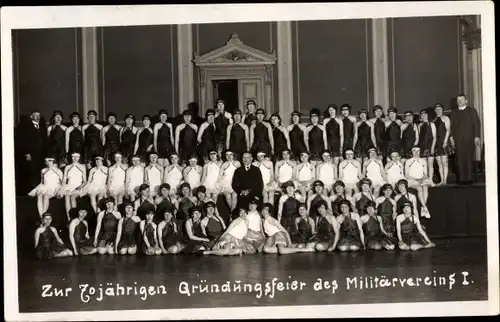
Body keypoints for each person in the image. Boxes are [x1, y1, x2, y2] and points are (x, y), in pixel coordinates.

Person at [449, 94, 482, 184]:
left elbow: (477, 124)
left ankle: (469, 179)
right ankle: (462, 179)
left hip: (469, 139)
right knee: (459, 159)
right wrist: (451, 137)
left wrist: (477, 137)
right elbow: (451, 127)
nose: (460, 102)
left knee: (468, 158)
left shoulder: (472, 111)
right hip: (458, 139)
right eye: (458, 100)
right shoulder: (454, 112)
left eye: (462, 100)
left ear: (466, 101)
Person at [16, 109, 48, 194]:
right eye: (35, 115)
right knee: (30, 173)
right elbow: (21, 141)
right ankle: (28, 192)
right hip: (30, 155)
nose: (38, 117)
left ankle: (37, 192)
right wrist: (26, 153)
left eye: (39, 115)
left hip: (40, 155)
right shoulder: (25, 127)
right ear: (31, 116)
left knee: (39, 172)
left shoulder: (42, 126)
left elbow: (45, 140)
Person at [404, 146, 434, 218]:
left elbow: (425, 174)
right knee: (419, 188)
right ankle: (425, 208)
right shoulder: (408, 161)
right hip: (411, 180)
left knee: (425, 187)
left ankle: (423, 208)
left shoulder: (423, 161)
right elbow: (407, 175)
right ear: (412, 152)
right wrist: (416, 179)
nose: (416, 152)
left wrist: (422, 178)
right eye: (414, 151)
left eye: (418, 151)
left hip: (421, 179)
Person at [59, 152, 87, 220]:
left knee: (73, 197)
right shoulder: (67, 167)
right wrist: (64, 188)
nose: (75, 158)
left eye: (76, 156)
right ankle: (69, 219)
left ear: (79, 157)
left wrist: (79, 187)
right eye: (73, 156)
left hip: (78, 186)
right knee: (66, 196)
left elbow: (85, 181)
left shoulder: (82, 167)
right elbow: (64, 180)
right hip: (69, 186)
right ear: (71, 157)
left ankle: (74, 217)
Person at [433, 103, 451, 185]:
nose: (438, 111)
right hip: (436, 143)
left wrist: (445, 141)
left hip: (443, 142)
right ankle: (441, 180)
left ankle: (445, 180)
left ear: (442, 110)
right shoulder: (433, 120)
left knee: (444, 162)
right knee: (439, 163)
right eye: (436, 109)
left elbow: (448, 130)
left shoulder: (445, 118)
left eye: (439, 109)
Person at [417, 109, 437, 183]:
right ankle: (425, 180)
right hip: (422, 147)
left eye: (425, 115)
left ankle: (430, 179)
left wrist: (432, 148)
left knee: (430, 164)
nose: (424, 116)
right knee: (424, 165)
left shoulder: (431, 124)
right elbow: (418, 137)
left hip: (429, 146)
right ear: (420, 117)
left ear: (427, 115)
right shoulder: (419, 125)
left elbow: (434, 137)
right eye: (422, 115)